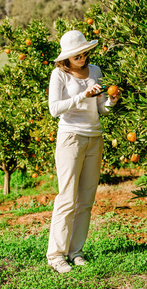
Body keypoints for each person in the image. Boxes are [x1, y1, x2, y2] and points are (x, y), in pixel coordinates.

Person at [46, 30, 120, 273]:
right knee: (67, 198)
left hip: (94, 138)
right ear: (67, 57)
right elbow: (54, 109)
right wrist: (81, 96)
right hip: (70, 138)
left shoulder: (96, 70)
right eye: (78, 54)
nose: (83, 56)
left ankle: (75, 251)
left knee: (86, 200)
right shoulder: (59, 75)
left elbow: (100, 108)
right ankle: (56, 256)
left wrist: (111, 101)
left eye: (85, 52)